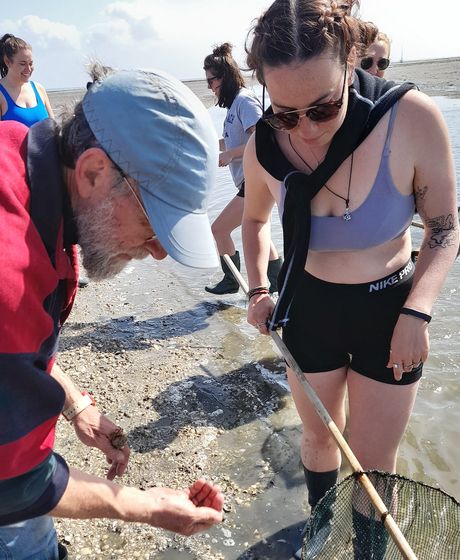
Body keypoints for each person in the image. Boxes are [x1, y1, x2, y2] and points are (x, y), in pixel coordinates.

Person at [242, 0, 458, 557]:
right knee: (318, 437)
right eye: (286, 113)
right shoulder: (265, 142)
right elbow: (253, 220)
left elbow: (444, 229)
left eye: (322, 108)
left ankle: (367, 549)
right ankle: (321, 531)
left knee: (372, 458)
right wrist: (260, 289)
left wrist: (418, 311)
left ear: (351, 61)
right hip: (308, 306)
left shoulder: (411, 118)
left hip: (391, 312)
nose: (306, 131)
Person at [0, 64, 225, 559]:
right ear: (94, 171)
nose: (161, 251)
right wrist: (146, 506)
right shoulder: (11, 265)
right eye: (153, 220)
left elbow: (11, 353)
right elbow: (14, 486)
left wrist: (74, 403)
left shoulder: (21, 152)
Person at [203, 42, 283, 295]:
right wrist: (208, 146)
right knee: (262, 234)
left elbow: (259, 139)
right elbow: (235, 140)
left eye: (211, 81)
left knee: (219, 229)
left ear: (225, 77)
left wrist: (230, 154)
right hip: (250, 181)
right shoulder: (234, 105)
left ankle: (231, 281)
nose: (210, 87)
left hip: (255, 181)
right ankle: (280, 285)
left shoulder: (244, 101)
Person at [0, 33, 53, 125]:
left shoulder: (39, 89)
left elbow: (54, 128)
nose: (28, 69)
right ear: (8, 62)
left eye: (31, 63)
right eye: (22, 64)